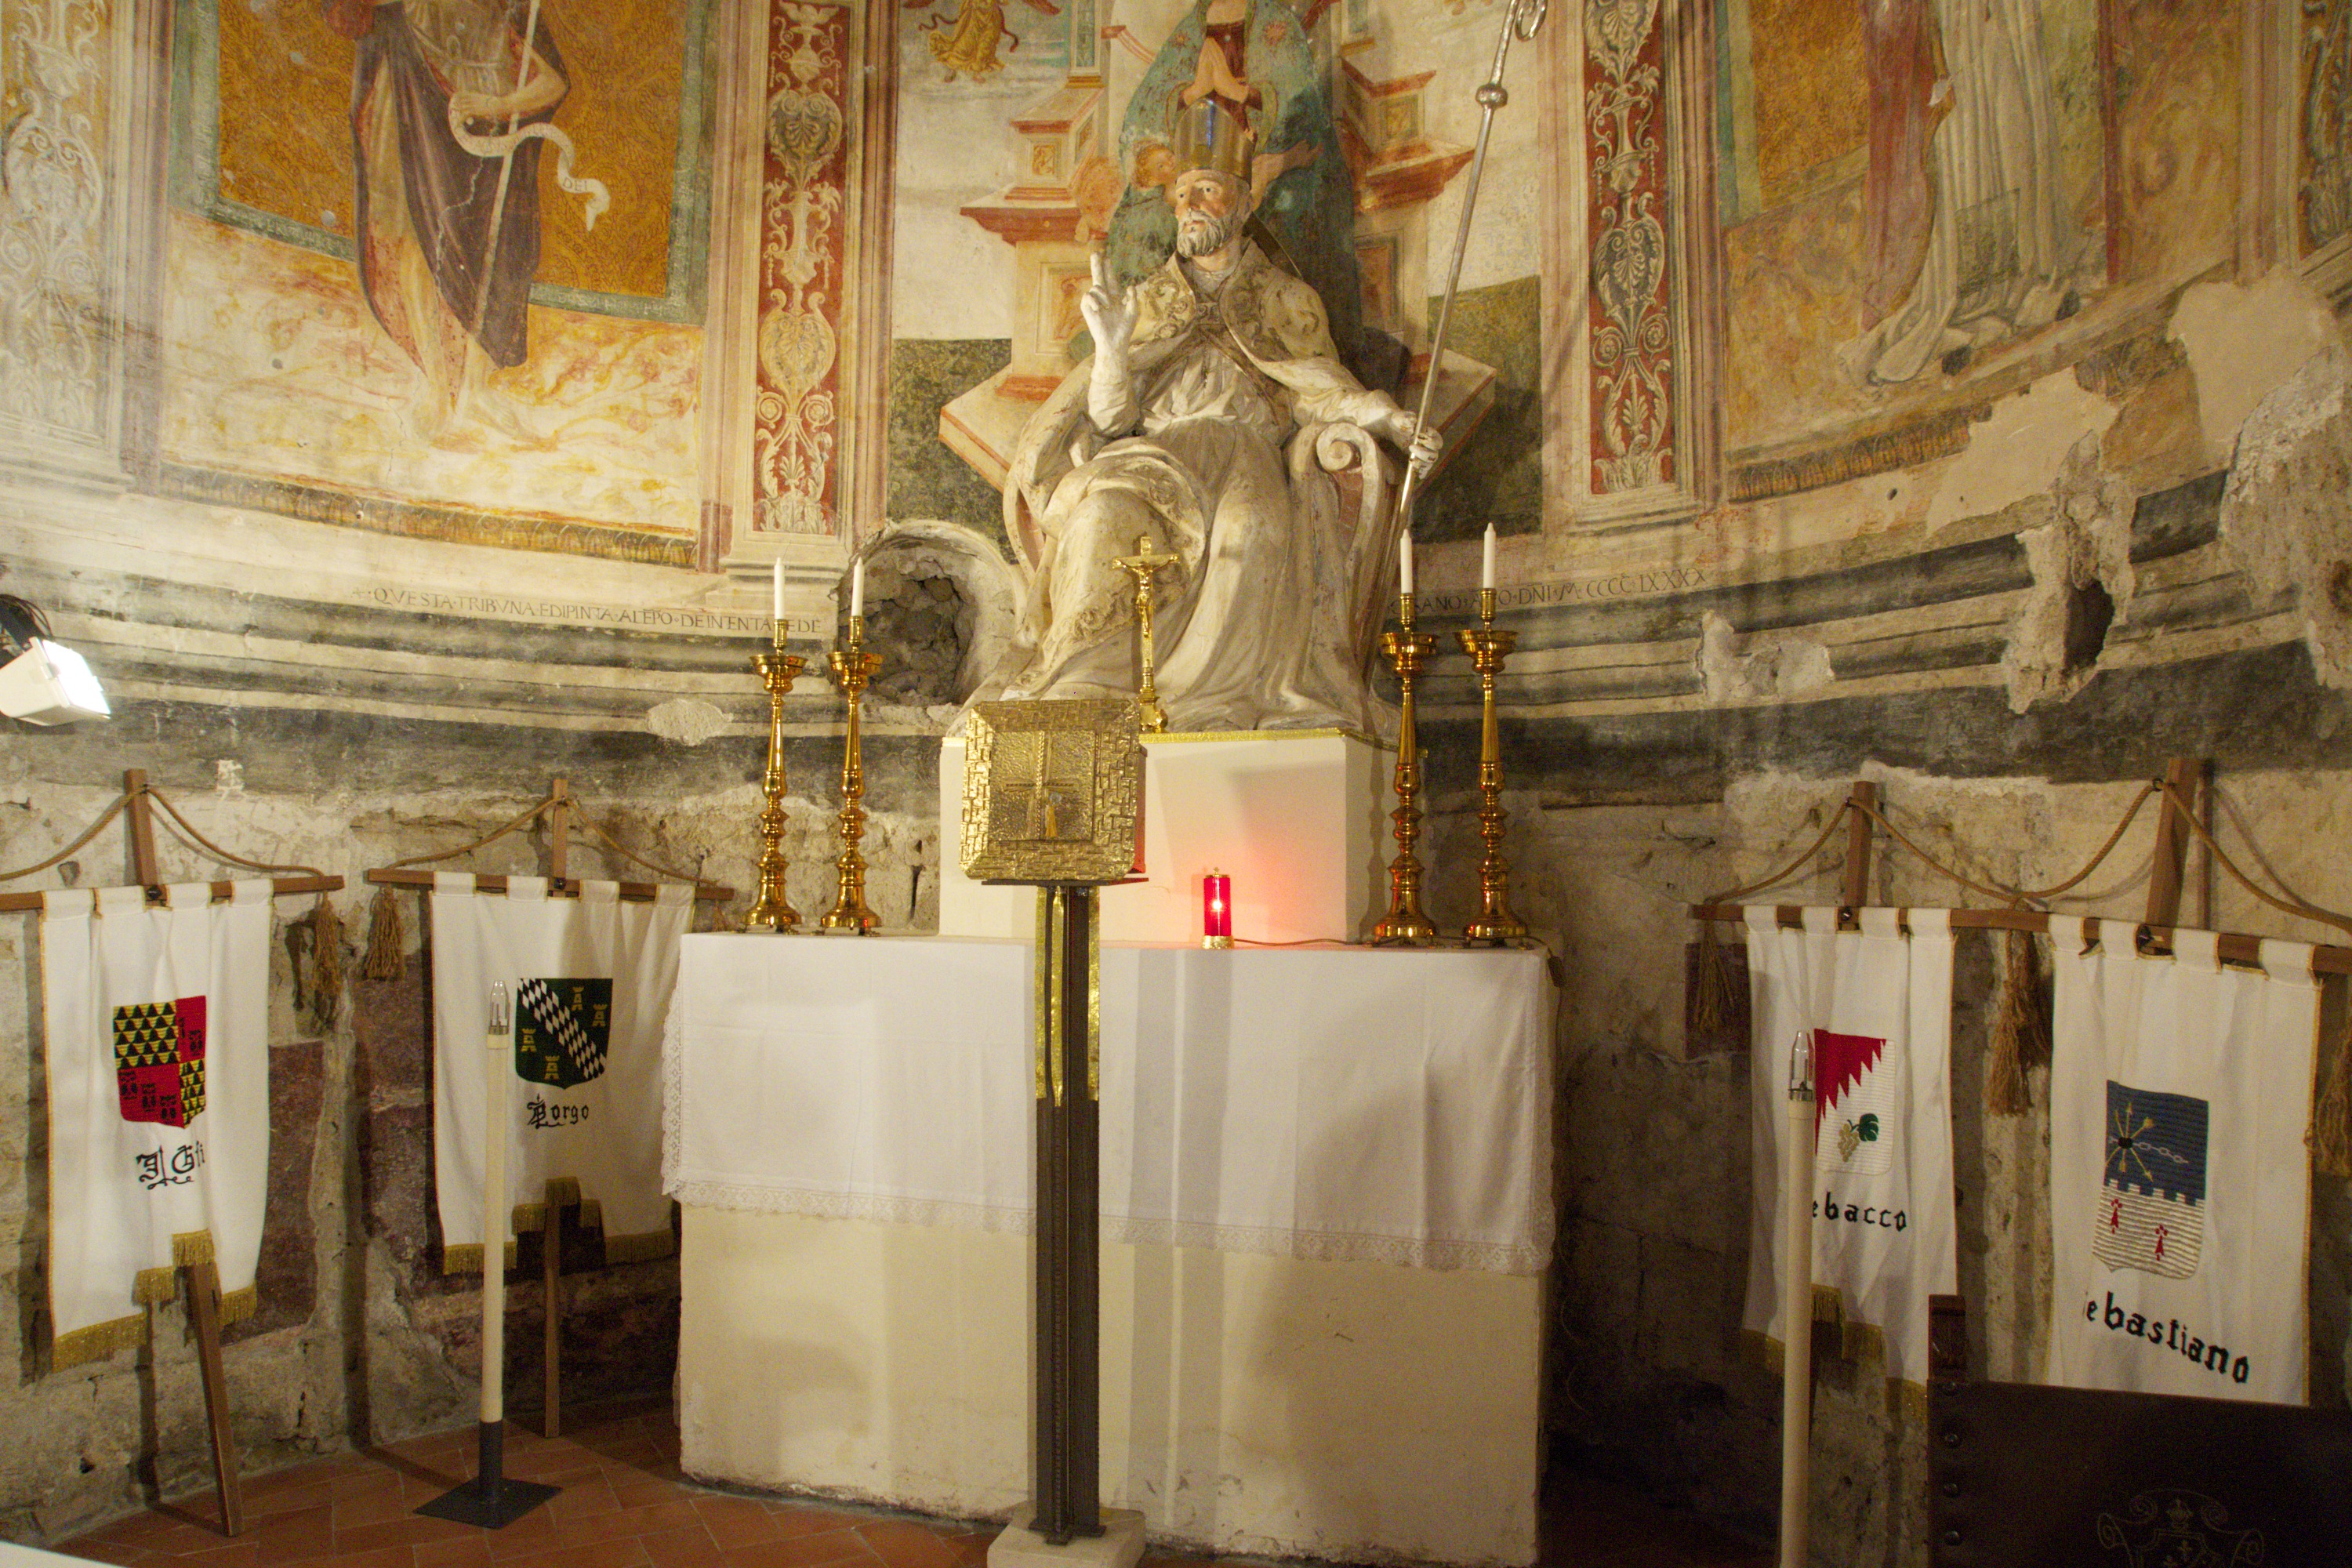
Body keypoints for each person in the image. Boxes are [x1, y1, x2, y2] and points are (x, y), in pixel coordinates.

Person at [979, 100, 1439, 734]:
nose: (1189, 204)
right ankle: (1085, 681)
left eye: (1208, 190)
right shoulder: (1140, 301)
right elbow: (1112, 421)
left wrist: (1383, 417)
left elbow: (1317, 390)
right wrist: (1112, 351)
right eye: (1183, 192)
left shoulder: (1286, 299)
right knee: (1099, 516)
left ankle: (1215, 705)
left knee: (1251, 536)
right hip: (1154, 456)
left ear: (1243, 203)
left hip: (1246, 455)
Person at [325, 0, 571, 435]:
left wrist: (497, 105)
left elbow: (550, 82)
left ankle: (474, 389)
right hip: (411, 103)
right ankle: (438, 387)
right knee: (417, 242)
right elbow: (351, 16)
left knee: (487, 259)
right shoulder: (407, 14)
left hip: (485, 140)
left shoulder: (505, 11)